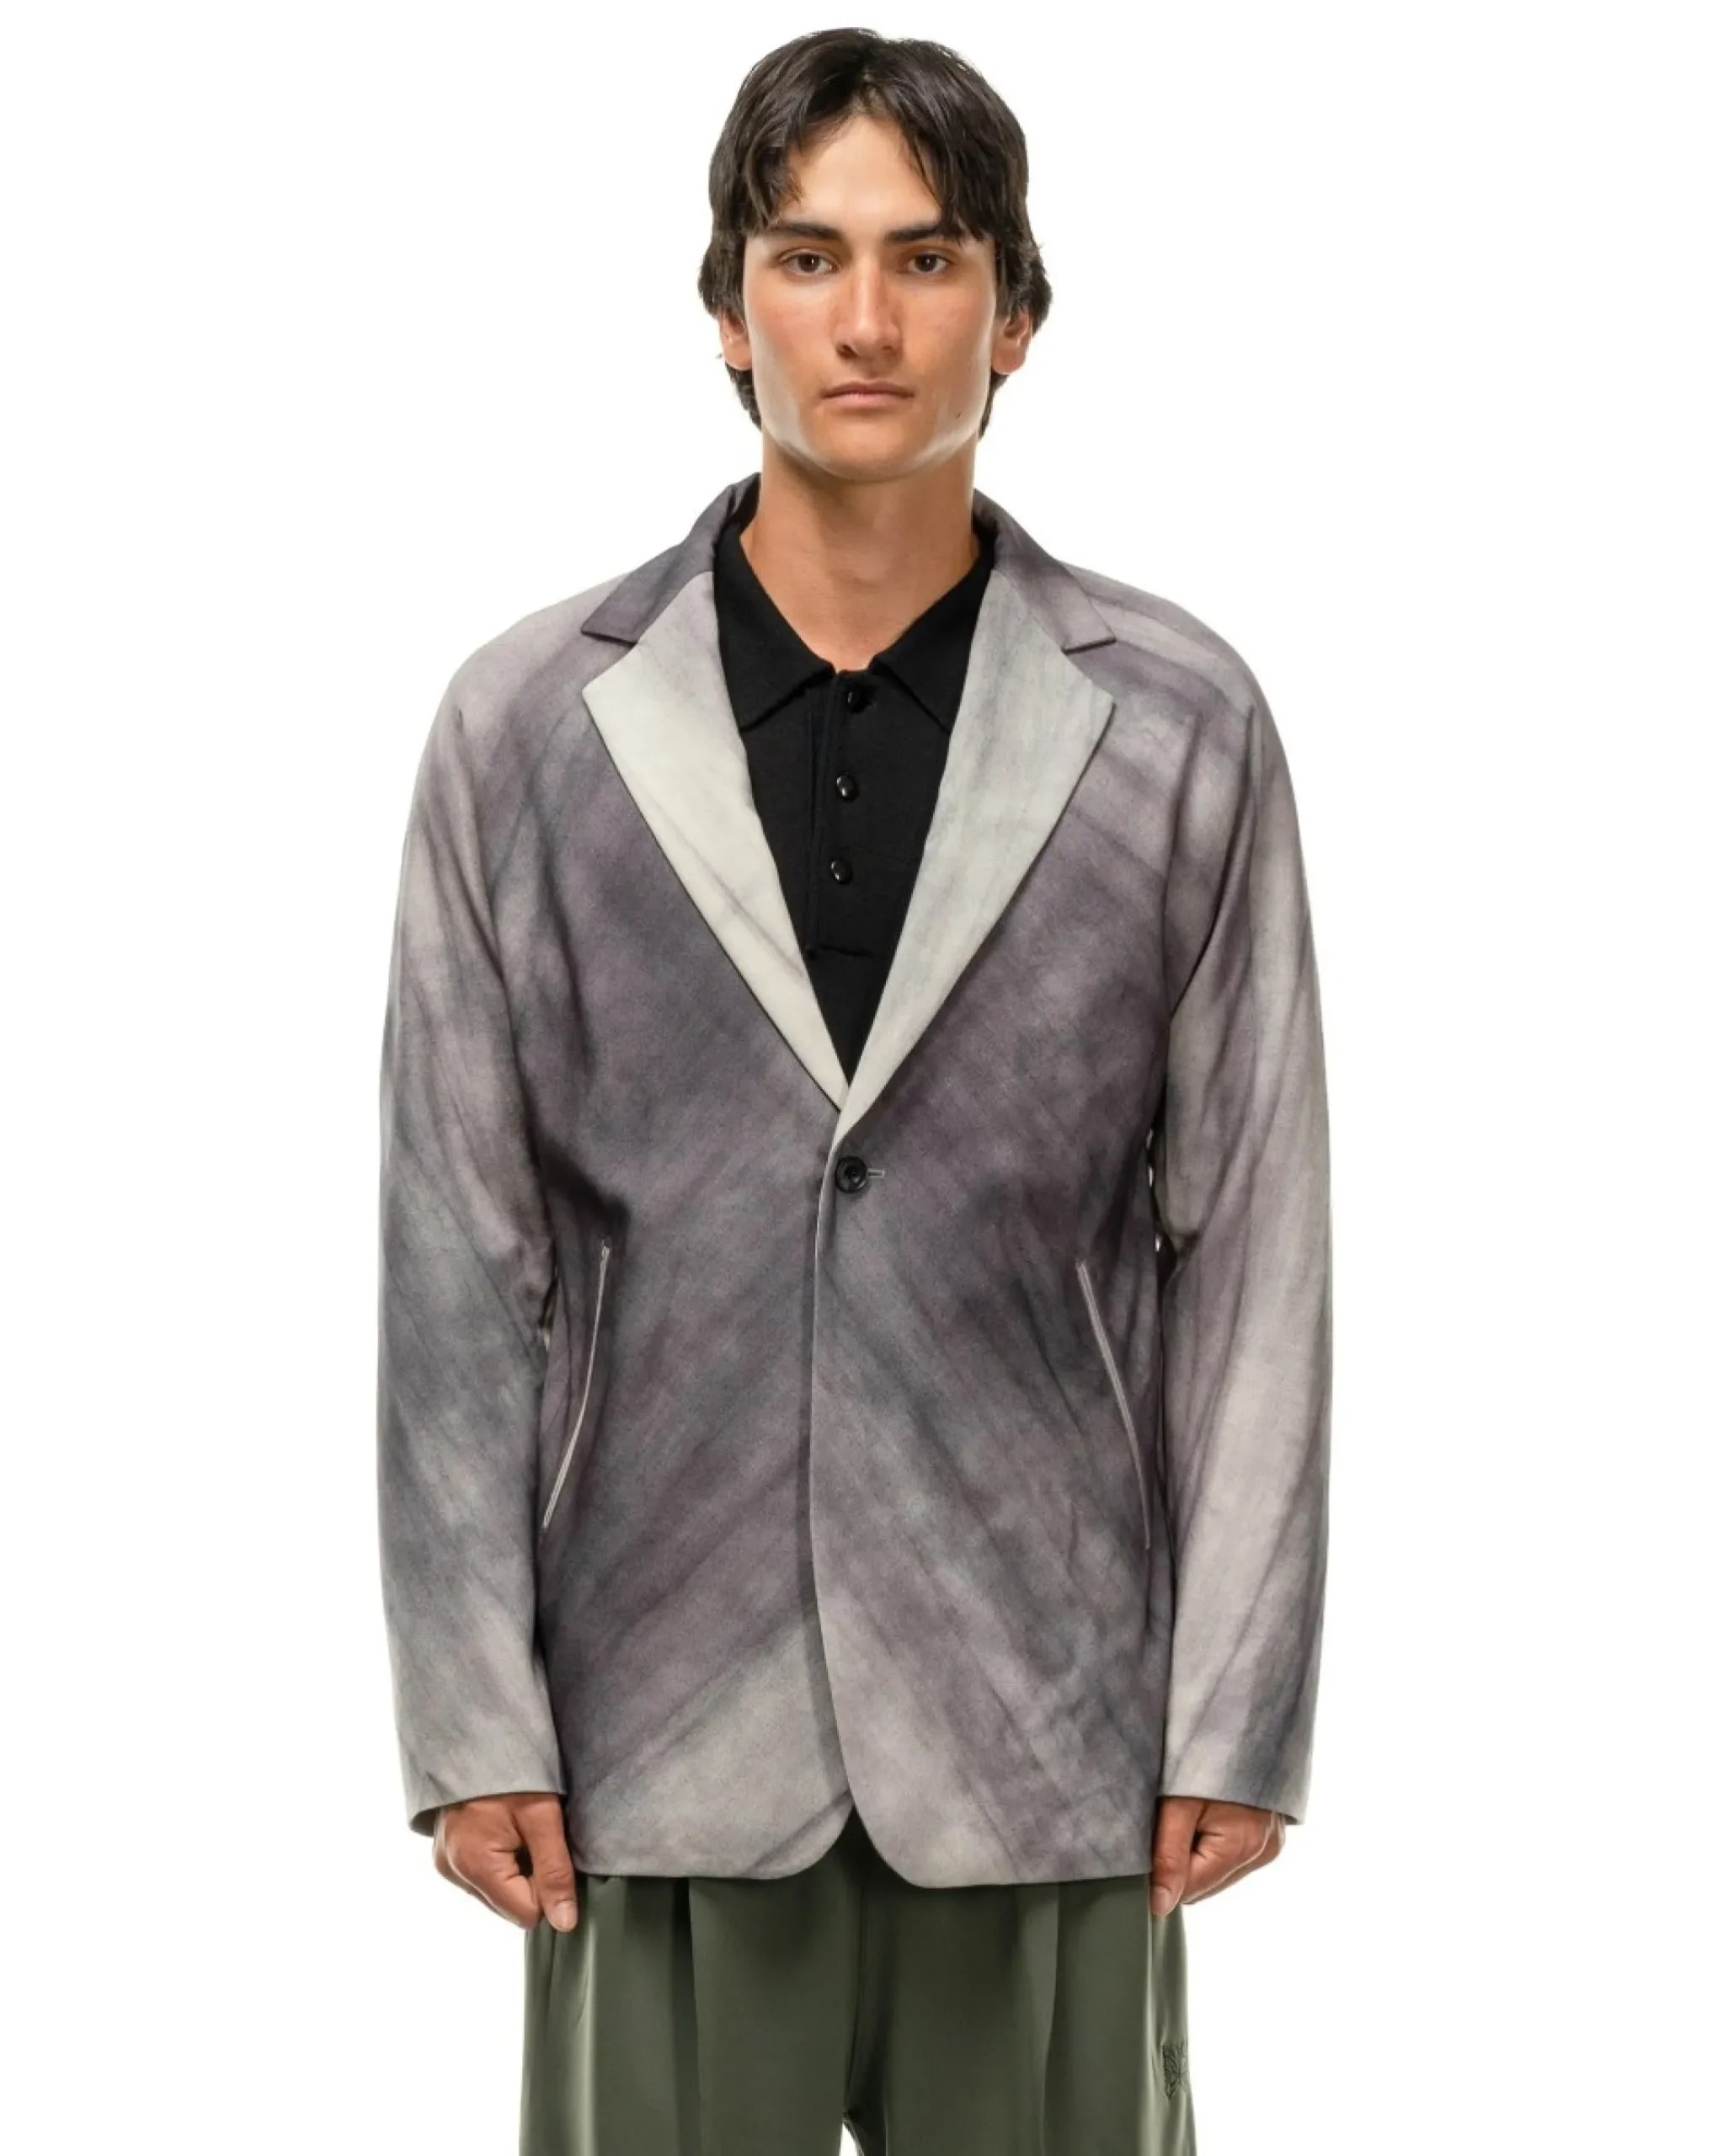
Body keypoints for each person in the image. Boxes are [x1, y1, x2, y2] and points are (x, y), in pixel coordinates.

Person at [376, 26, 1332, 2156]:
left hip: (1047, 1712)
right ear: (730, 310)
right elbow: (457, 1256)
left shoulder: (1177, 724)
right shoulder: (526, 728)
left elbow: (1255, 1239)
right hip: (653, 1710)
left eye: (928, 256)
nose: (869, 321)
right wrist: (471, 1712)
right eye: (808, 257)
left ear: (1019, 312)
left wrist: (1236, 1705)